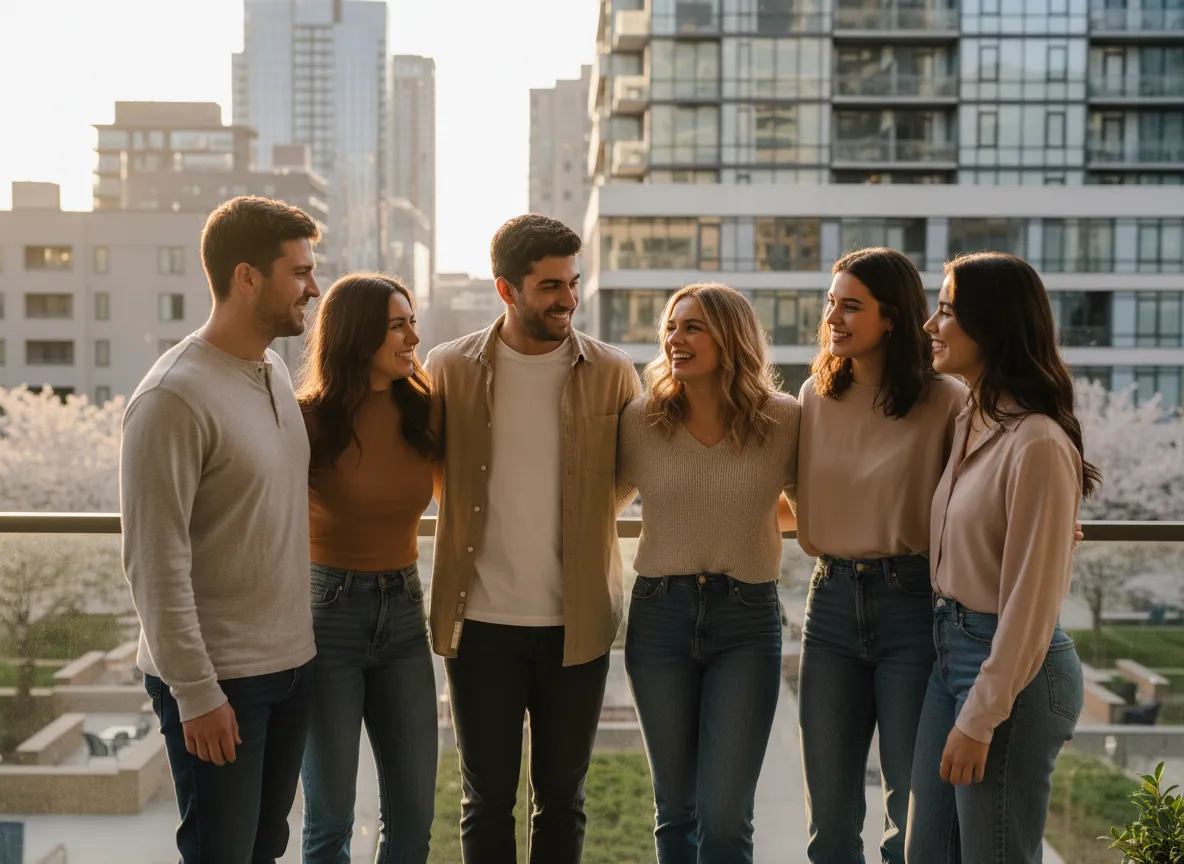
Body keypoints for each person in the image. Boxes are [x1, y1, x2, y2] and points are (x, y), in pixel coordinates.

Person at [425, 214, 642, 864]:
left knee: (562, 799)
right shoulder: (448, 368)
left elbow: (626, 477)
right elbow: (435, 472)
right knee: (485, 800)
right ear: (506, 289)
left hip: (574, 626)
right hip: (480, 625)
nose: (568, 300)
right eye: (550, 286)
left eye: (572, 283)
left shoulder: (611, 370)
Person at [120, 196, 322, 863]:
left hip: (290, 665)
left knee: (264, 848)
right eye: (299, 272)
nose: (313, 288)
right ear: (247, 277)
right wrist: (197, 693)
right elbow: (154, 561)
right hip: (221, 681)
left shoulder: (268, 373)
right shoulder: (171, 398)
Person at [906, 252, 1095, 863]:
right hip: (949, 652)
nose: (931, 327)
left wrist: (981, 718)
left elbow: (1032, 609)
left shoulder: (1037, 441)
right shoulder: (971, 416)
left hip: (1011, 671)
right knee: (927, 852)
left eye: (947, 312)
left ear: (993, 327)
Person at [794, 248, 968, 864]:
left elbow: (991, 484)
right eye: (831, 303)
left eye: (851, 306)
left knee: (912, 814)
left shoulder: (947, 400)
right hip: (831, 602)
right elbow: (797, 495)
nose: (833, 317)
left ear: (892, 318)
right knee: (831, 826)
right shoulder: (816, 395)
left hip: (914, 606)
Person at [616, 283, 800, 864]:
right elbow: (594, 504)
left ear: (732, 337)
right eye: (672, 326)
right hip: (660, 618)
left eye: (693, 326)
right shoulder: (641, 420)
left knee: (724, 820)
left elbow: (817, 507)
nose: (676, 338)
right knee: (676, 812)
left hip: (746, 622)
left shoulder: (784, 421)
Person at [296, 274, 439, 863]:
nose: (413, 335)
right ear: (357, 336)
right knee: (329, 819)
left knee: (413, 820)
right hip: (327, 619)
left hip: (405, 614)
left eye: (411, 320)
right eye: (397, 324)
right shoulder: (306, 420)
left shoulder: (426, 410)